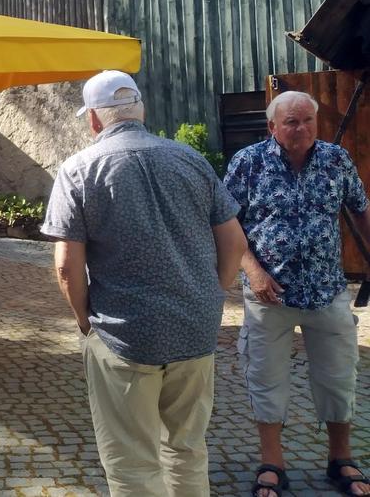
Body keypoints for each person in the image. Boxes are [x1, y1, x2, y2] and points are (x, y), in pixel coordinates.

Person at [41, 70, 247, 497]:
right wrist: (211, 296)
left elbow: (66, 267)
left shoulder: (78, 170)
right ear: (141, 109)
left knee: (132, 463)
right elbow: (235, 242)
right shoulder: (191, 160)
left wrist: (84, 321)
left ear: (93, 119)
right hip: (194, 329)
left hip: (123, 334)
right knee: (187, 450)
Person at [224, 90, 370, 497]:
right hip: (269, 296)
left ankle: (341, 459)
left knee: (338, 377)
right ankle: (272, 463)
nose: (302, 128)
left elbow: (360, 207)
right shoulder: (248, 162)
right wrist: (253, 271)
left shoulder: (336, 160)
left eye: (308, 120)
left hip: (327, 291)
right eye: (291, 122)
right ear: (272, 126)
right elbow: (226, 223)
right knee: (266, 379)